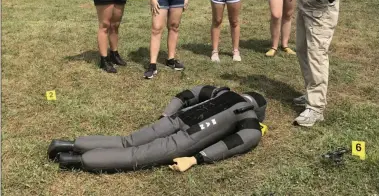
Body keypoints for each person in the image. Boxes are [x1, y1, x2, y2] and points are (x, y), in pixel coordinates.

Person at [47, 85, 267, 172]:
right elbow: (239, 141)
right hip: (188, 138)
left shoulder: (222, 91)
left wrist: (167, 113)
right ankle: (74, 161)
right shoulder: (247, 115)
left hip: (173, 120)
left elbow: (187, 94)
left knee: (126, 141)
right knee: (135, 155)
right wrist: (196, 158)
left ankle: (67, 144)